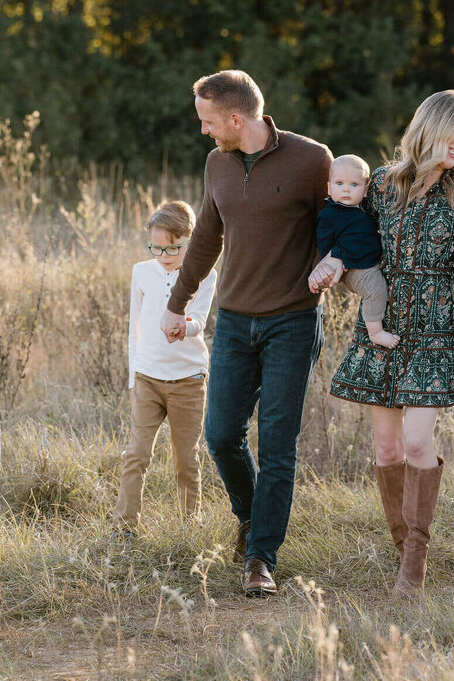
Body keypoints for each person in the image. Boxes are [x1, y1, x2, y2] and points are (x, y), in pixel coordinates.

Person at [314, 89, 454, 595]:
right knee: (387, 445)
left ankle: (413, 565)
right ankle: (405, 552)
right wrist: (334, 261)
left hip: (437, 330)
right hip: (385, 325)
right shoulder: (381, 183)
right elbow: (353, 234)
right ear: (433, 124)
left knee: (418, 441)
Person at [161, 70, 332, 597]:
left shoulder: (311, 160)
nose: (204, 131)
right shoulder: (217, 163)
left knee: (278, 442)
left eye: (209, 122)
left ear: (237, 118)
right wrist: (176, 303)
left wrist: (336, 268)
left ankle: (261, 557)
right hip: (235, 321)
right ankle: (250, 517)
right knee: (220, 435)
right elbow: (207, 238)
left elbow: (341, 226)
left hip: (293, 320)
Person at [114, 201, 217, 534]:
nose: (165, 254)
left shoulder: (205, 274)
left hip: (188, 379)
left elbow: (199, 320)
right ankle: (124, 527)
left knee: (186, 460)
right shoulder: (141, 272)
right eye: (157, 247)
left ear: (190, 240)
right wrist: (133, 378)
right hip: (147, 378)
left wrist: (181, 327)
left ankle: (190, 527)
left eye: (173, 247)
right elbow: (134, 328)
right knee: (136, 454)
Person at [307, 154, 399, 349]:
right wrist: (337, 259)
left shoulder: (362, 208)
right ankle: (376, 333)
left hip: (365, 262)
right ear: (329, 188)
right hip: (355, 267)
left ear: (366, 191)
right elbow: (324, 244)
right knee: (375, 290)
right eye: (339, 183)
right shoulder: (330, 214)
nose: (346, 189)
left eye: (354, 185)